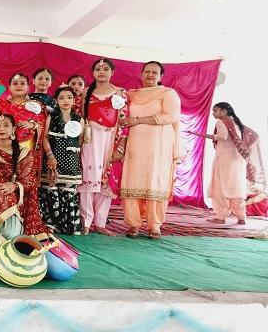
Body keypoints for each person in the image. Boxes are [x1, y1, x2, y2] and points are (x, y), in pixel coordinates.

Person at [119, 61, 182, 239]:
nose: (150, 75)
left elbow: (171, 116)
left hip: (160, 144)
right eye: (147, 71)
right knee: (133, 178)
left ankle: (155, 225)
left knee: (156, 181)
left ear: (161, 76)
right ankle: (133, 224)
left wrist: (137, 119)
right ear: (141, 74)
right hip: (136, 142)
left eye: (155, 72)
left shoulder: (168, 93)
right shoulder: (131, 94)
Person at [0, 114, 50, 243]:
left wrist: (14, 186)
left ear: (13, 129)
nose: (2, 129)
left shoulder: (25, 152)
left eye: (6, 125)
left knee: (11, 195)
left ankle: (12, 228)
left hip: (17, 195)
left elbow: (28, 180)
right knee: (2, 193)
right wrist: (6, 188)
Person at [189, 102, 266, 225]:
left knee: (221, 187)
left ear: (224, 111)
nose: (213, 113)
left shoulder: (222, 122)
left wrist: (200, 135)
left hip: (225, 160)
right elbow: (252, 136)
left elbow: (222, 137)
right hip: (239, 161)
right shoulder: (236, 123)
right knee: (236, 188)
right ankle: (241, 218)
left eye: (216, 111)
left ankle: (221, 217)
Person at [78, 58, 128, 236]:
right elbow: (78, 119)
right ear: (92, 72)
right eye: (98, 69)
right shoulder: (85, 94)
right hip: (89, 139)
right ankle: (85, 221)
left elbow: (123, 122)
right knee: (88, 176)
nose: (101, 72)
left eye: (106, 69)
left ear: (112, 72)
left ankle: (100, 222)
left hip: (110, 139)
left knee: (106, 179)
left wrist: (120, 147)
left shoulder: (120, 94)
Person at [39, 86, 84, 235]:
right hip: (53, 160)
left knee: (69, 193)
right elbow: (44, 137)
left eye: (69, 97)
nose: (66, 101)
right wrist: (50, 156)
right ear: (56, 100)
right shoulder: (52, 117)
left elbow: (81, 140)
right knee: (51, 192)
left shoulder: (79, 119)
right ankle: (50, 225)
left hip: (71, 162)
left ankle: (69, 226)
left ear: (74, 100)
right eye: (62, 98)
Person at [0, 73, 47, 177]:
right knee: (4, 176)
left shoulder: (37, 105)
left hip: (28, 145)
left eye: (22, 83)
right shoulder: (1, 103)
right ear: (9, 87)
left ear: (28, 87)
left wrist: (32, 125)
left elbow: (44, 125)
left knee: (24, 176)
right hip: (3, 145)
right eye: (15, 83)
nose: (19, 86)